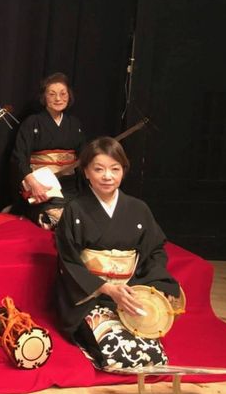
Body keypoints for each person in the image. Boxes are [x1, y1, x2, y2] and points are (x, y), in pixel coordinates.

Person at [55, 137, 182, 369]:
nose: (107, 176)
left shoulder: (138, 209)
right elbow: (69, 260)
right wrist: (105, 288)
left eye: (115, 169)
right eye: (99, 169)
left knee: (153, 355)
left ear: (123, 170)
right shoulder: (75, 209)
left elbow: (154, 251)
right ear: (85, 172)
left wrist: (143, 288)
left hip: (128, 294)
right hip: (90, 297)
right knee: (122, 355)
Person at [12, 72, 84, 229]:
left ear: (69, 96)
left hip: (70, 186)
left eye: (62, 94)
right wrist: (34, 184)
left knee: (81, 216)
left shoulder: (74, 124)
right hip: (43, 187)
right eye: (52, 94)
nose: (58, 99)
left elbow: (83, 157)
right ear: (44, 97)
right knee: (59, 218)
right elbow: (19, 156)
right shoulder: (32, 123)